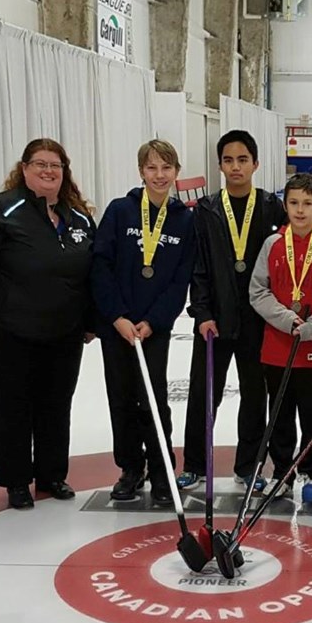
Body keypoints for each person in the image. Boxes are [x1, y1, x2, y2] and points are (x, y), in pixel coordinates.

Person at [0, 138, 96, 510]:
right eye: (40, 164)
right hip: (9, 333)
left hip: (64, 333)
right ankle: (17, 480)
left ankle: (52, 474)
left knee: (56, 404)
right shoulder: (2, 210)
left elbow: (91, 274)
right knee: (12, 407)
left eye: (56, 165)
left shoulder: (78, 217)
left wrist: (90, 321)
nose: (48, 171)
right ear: (24, 169)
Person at [179, 130, 288, 492]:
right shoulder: (208, 210)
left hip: (259, 320)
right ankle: (194, 463)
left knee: (255, 395)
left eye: (243, 160)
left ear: (256, 164)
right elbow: (198, 266)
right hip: (216, 318)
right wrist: (202, 312)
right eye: (228, 160)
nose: (235, 167)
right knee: (203, 393)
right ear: (220, 165)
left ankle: (249, 466)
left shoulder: (273, 207)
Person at [91, 140, 196, 504]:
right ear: (140, 172)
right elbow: (100, 265)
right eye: (152, 168)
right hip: (116, 327)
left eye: (166, 167)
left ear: (176, 172)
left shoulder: (185, 219)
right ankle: (131, 468)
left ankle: (163, 469)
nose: (159, 175)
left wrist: (153, 321)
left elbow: (180, 278)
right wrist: (117, 316)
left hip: (154, 329)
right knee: (120, 398)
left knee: (153, 400)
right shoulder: (120, 211)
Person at [249, 173, 312, 503]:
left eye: (307, 203)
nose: (300, 210)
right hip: (277, 345)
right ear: (284, 205)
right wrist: (287, 320)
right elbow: (257, 291)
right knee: (280, 412)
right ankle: (283, 472)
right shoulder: (273, 244)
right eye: (293, 203)